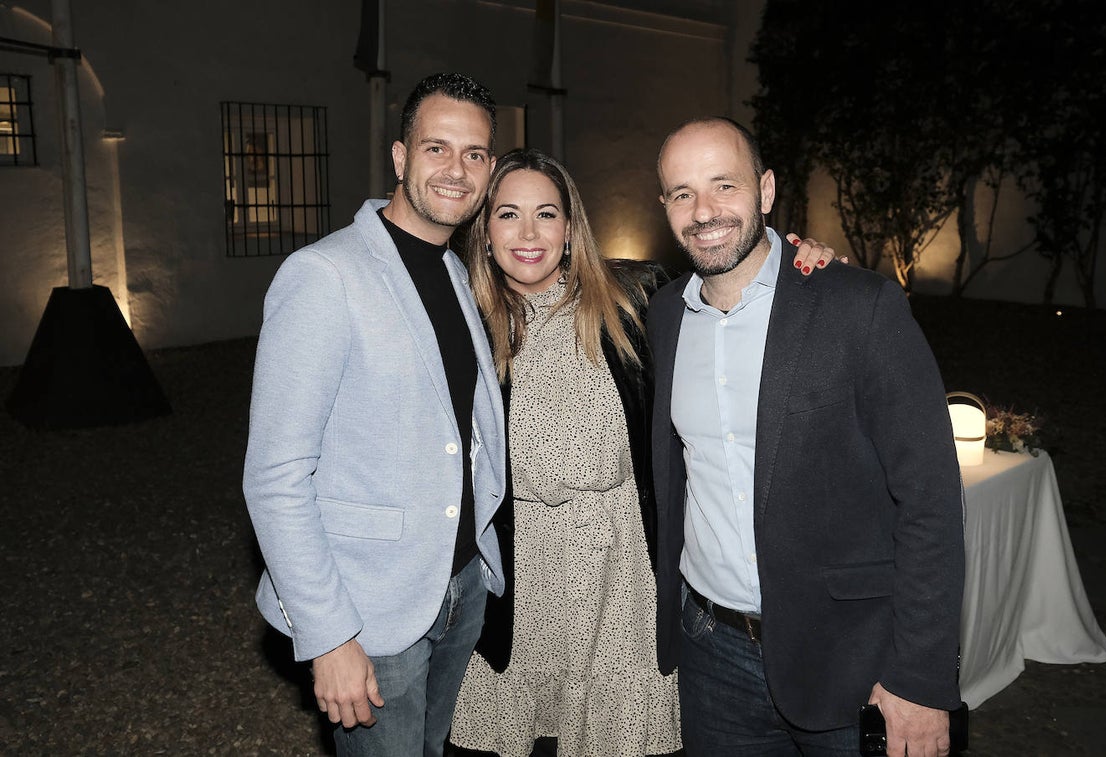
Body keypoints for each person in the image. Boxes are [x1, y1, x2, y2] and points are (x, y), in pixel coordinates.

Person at [646, 117, 965, 757]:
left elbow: (930, 501)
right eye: (682, 193)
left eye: (723, 185)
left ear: (765, 190)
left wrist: (922, 679)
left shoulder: (858, 305)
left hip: (853, 659)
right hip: (712, 654)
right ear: (665, 208)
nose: (704, 211)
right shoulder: (663, 316)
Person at [243, 72, 506, 757]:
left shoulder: (453, 271)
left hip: (459, 588)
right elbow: (275, 475)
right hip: (369, 612)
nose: (456, 169)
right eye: (437, 147)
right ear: (399, 157)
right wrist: (328, 633)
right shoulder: (325, 275)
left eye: (475, 153)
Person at [447, 148, 681, 757]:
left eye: (546, 214)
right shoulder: (463, 322)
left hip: (618, 567)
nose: (528, 234)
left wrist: (805, 263)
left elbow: (738, 304)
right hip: (517, 570)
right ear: (485, 230)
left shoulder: (637, 303)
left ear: (571, 227)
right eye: (508, 215)